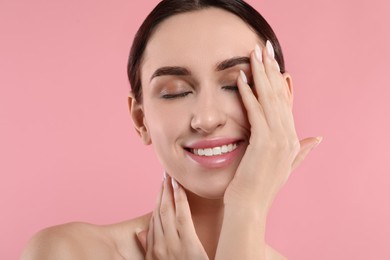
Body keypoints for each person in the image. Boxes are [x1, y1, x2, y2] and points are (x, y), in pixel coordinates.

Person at [21, 0, 322, 259]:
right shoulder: (69, 251)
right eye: (175, 91)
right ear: (141, 120)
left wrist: (247, 206)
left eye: (235, 84)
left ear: (282, 98)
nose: (206, 118)